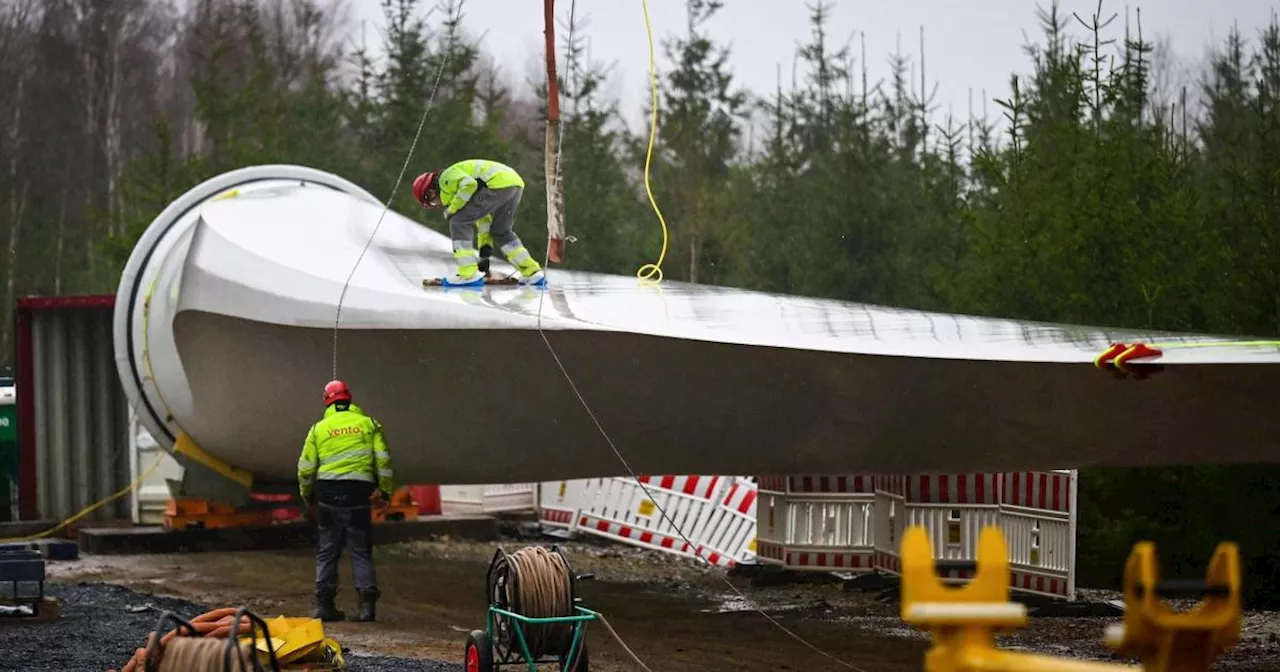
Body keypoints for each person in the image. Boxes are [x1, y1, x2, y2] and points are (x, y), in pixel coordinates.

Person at [297, 380, 395, 623]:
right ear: (349, 399)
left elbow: (305, 468)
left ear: (326, 401)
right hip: (358, 493)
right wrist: (385, 493)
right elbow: (383, 461)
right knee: (361, 550)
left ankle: (325, 606)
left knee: (327, 550)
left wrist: (307, 495)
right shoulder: (368, 424)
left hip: (328, 494)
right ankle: (367, 608)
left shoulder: (318, 429)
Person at [412, 159, 546, 287]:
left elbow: (469, 184)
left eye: (432, 202)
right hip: (513, 183)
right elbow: (484, 222)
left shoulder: (446, 178)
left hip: (497, 183)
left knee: (458, 220)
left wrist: (452, 209)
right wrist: (484, 257)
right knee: (501, 231)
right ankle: (532, 272)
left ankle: (467, 274)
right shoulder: (468, 193)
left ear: (430, 192)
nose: (437, 205)